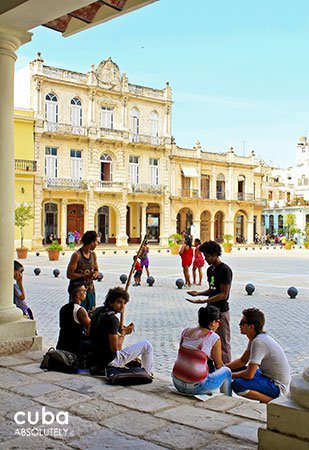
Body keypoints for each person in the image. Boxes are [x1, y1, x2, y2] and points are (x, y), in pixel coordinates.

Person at [227, 308, 290, 403]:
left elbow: (249, 374)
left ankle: (273, 401)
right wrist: (223, 368)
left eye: (242, 323)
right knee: (235, 369)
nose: (239, 325)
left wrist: (228, 375)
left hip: (277, 386)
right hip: (266, 376)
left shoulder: (258, 342)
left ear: (251, 327)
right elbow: (242, 361)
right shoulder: (254, 339)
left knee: (237, 385)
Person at [187, 240, 233, 364]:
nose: (205, 259)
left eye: (207, 256)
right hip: (210, 312)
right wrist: (199, 293)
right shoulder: (210, 270)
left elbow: (224, 294)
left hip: (221, 311)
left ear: (215, 254)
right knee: (209, 341)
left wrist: (203, 300)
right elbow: (213, 289)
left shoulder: (225, 270)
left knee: (223, 343)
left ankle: (227, 369)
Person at [90, 287, 153, 375]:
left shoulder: (98, 311)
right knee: (147, 345)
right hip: (109, 361)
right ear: (111, 302)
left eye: (124, 303)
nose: (122, 306)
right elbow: (116, 348)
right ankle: (148, 373)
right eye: (119, 302)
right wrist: (124, 333)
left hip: (94, 357)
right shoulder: (113, 319)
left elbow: (90, 332)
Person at [172, 305, 231, 396]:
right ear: (213, 323)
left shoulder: (185, 332)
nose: (219, 324)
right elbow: (219, 365)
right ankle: (227, 399)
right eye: (218, 321)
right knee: (226, 371)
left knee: (204, 363)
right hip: (196, 387)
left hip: (177, 383)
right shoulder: (213, 337)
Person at [56, 281, 91, 362]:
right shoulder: (80, 310)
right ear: (78, 295)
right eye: (84, 291)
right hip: (74, 348)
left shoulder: (63, 308)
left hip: (61, 345)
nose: (85, 293)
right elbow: (91, 327)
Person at [67, 230, 99, 312]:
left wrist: (95, 274)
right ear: (91, 242)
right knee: (78, 314)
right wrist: (84, 276)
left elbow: (96, 270)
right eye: (96, 242)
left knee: (91, 314)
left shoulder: (93, 255)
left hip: (90, 291)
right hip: (78, 293)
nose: (97, 244)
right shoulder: (77, 255)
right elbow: (69, 274)